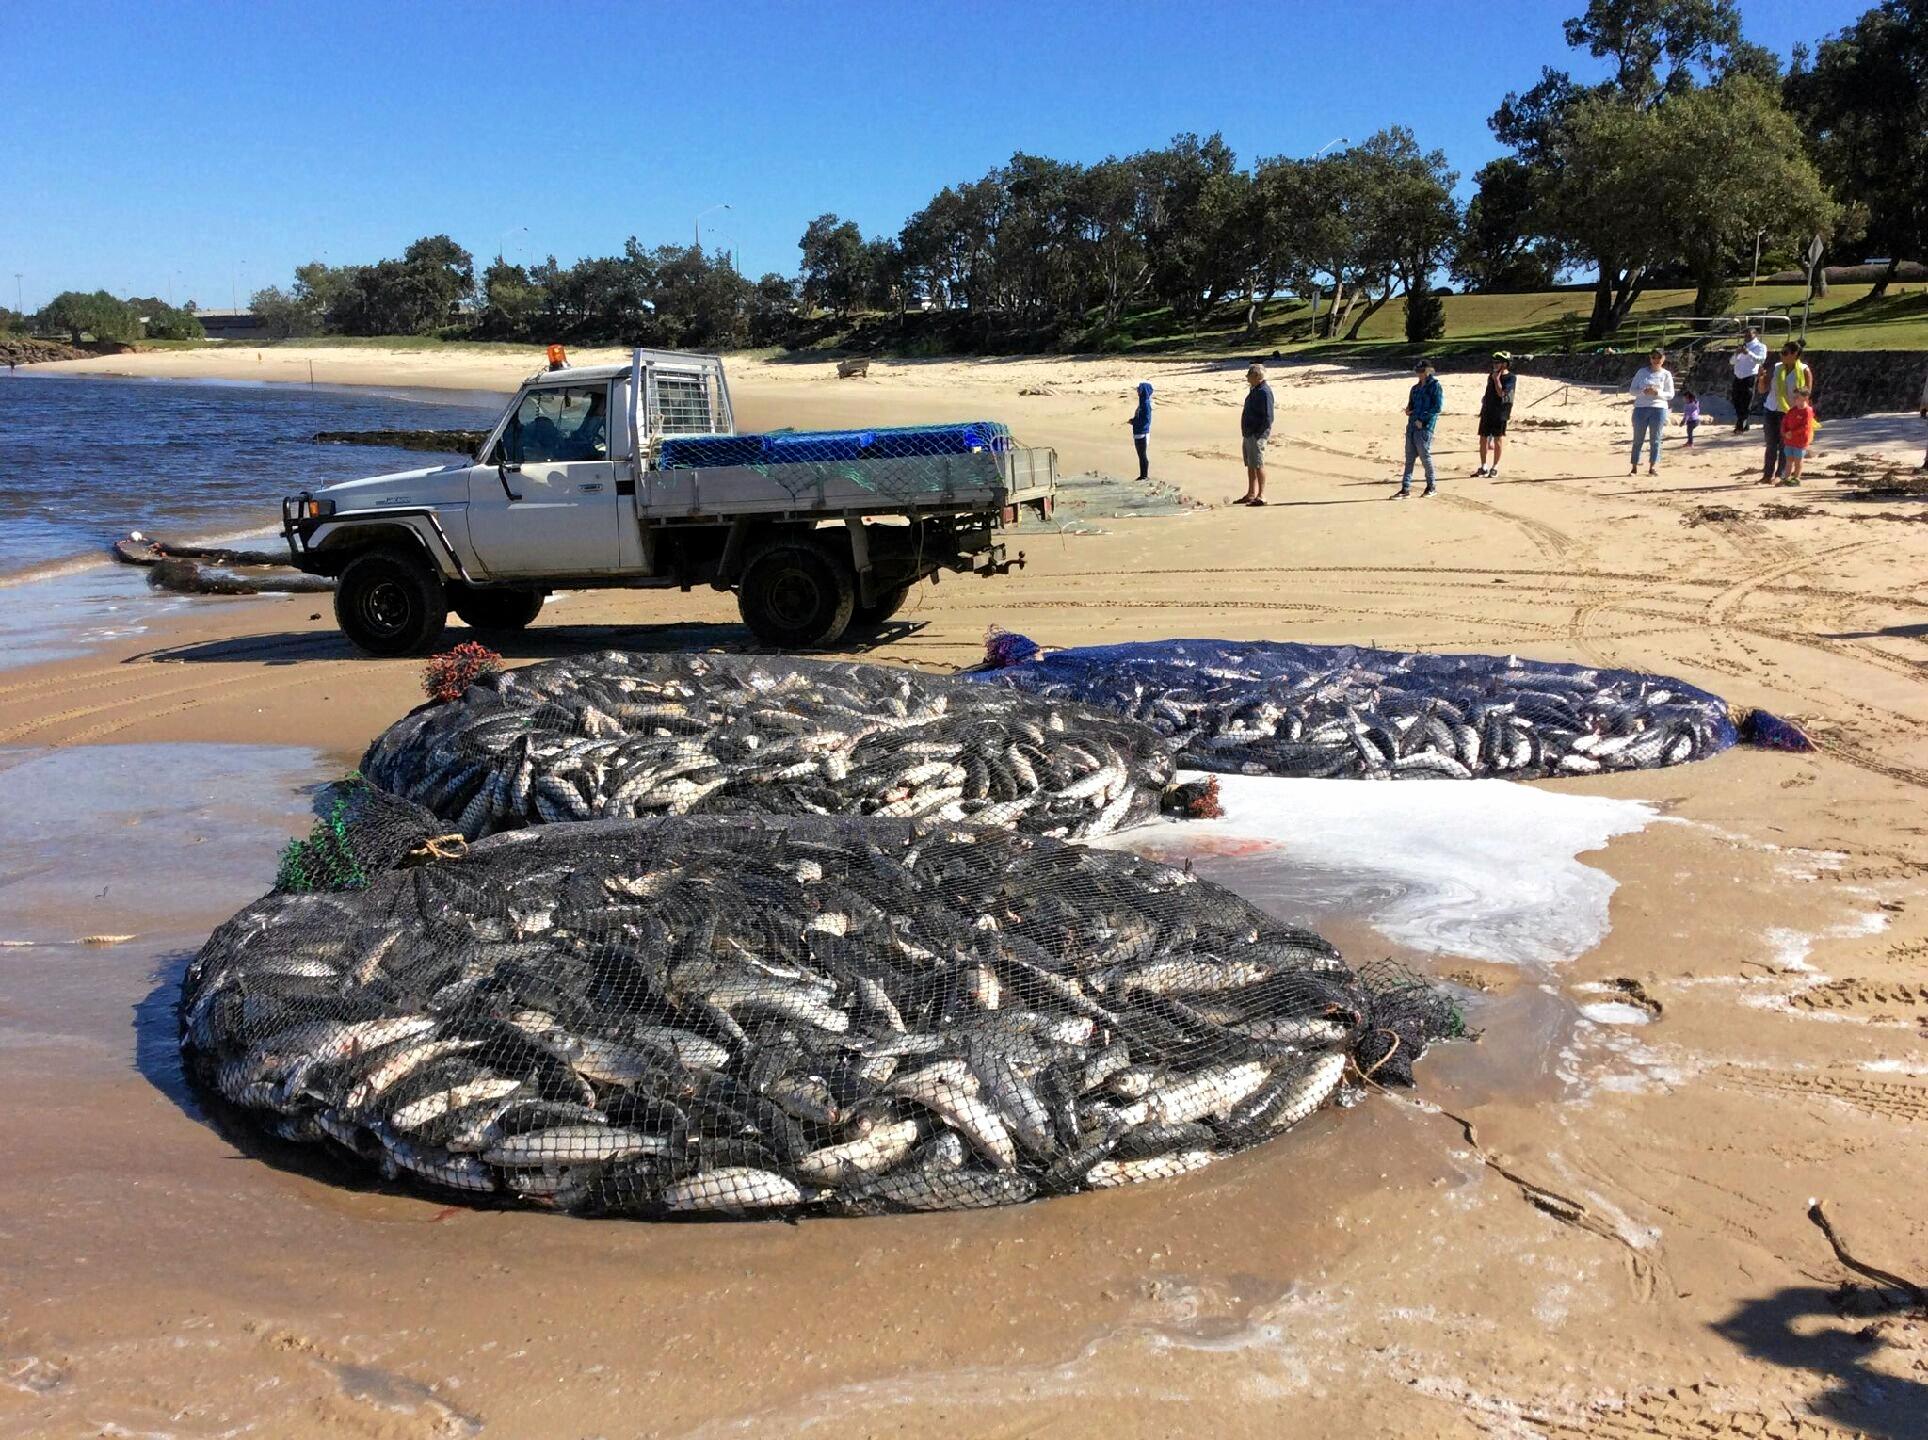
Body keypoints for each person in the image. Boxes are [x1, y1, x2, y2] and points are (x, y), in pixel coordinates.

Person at [1757, 340, 1814, 484]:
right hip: (1771, 408)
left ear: (1795, 354)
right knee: (1770, 443)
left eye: (1785, 353)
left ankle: (1780, 475)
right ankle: (1766, 475)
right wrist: (1761, 377)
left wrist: (1803, 413)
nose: (1781, 355)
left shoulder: (1804, 370)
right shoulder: (1776, 368)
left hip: (1790, 412)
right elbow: (1762, 389)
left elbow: (1807, 393)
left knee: (1785, 444)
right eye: (1781, 352)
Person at [1398, 358, 1443, 498]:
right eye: (1417, 371)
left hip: (1424, 427)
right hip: (1411, 425)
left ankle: (1431, 486)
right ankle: (1405, 489)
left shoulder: (1435, 386)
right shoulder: (1415, 388)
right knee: (1409, 458)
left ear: (1428, 371)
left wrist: (1422, 420)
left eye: (1421, 371)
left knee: (1425, 457)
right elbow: (1411, 405)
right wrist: (1408, 411)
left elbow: (1437, 407)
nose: (1419, 374)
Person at [1627, 347, 1674, 477]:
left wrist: (1657, 393)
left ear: (1663, 359)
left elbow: (1670, 394)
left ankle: (1652, 467)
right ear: (1650, 358)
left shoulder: (1666, 374)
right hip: (1641, 408)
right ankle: (1634, 467)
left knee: (1656, 439)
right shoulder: (1642, 372)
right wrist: (1643, 391)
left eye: (1659, 357)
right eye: (1654, 357)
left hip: (1658, 408)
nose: (1656, 360)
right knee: (1638, 439)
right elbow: (1632, 390)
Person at [1237, 365, 1275, 505]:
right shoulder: (1255, 389)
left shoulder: (1265, 392)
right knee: (1251, 464)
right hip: (1248, 433)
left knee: (1258, 464)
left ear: (1258, 377)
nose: (1247, 378)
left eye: (1250, 375)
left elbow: (1268, 417)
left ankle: (1262, 495)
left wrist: (1258, 434)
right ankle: (1251, 493)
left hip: (1256, 435)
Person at [1474, 352, 1515, 477]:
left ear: (1505, 364)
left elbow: (1501, 393)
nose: (1495, 365)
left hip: (1500, 412)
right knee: (1483, 438)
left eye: (1498, 362)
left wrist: (1497, 379)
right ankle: (1483, 466)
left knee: (1498, 438)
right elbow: (1489, 391)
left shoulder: (1511, 378)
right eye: (1494, 362)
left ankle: (1495, 466)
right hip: (1487, 411)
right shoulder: (1490, 376)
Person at [1729, 326, 1767, 432]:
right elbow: (1731, 362)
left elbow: (1761, 360)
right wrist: (1737, 353)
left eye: (1749, 335)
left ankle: (1740, 425)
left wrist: (1748, 353)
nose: (1746, 337)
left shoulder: (1760, 346)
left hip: (1749, 376)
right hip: (1738, 377)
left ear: (1756, 335)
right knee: (1736, 400)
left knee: (1746, 401)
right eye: (1745, 335)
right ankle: (1744, 424)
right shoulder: (1741, 346)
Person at [1778, 389, 1815, 486]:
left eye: (1797, 397)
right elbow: (1784, 422)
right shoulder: (1792, 410)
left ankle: (1797, 478)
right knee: (1789, 460)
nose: (1795, 399)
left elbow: (1805, 426)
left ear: (1805, 398)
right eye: (1795, 397)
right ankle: (1786, 478)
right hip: (1789, 440)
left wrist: (1792, 433)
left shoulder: (1807, 411)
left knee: (1798, 461)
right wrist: (1784, 432)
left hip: (1800, 441)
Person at [1127, 381, 1153, 481]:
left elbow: (1146, 420)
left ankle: (1144, 476)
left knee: (1142, 455)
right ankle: (1142, 475)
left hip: (1143, 433)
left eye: (1139, 389)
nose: (1137, 391)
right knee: (1140, 455)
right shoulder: (1142, 403)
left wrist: (1135, 422)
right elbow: (1139, 417)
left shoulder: (1146, 404)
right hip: (1138, 433)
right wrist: (1133, 421)